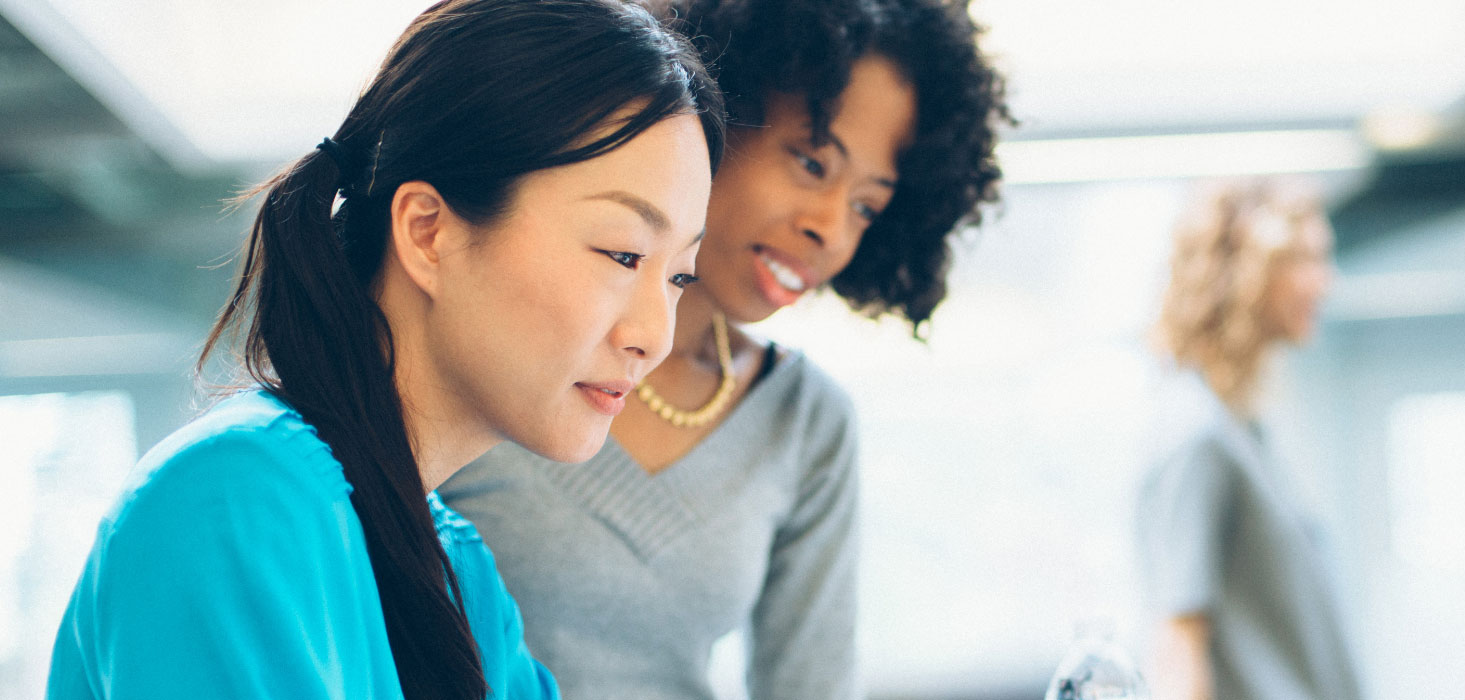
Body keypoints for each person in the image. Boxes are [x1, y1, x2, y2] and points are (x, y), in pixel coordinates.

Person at [44, 1, 724, 698]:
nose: (654, 335)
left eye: (678, 276)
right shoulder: (235, 504)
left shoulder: (457, 575)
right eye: (622, 253)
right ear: (429, 232)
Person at [436, 0, 1009, 697]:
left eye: (866, 206)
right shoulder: (498, 346)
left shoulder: (804, 423)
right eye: (810, 162)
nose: (830, 227)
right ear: (715, 112)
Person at [1136, 179, 1362, 700]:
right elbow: (1177, 650)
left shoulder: (1243, 430)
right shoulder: (1194, 433)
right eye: (1304, 260)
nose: (1325, 283)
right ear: (1243, 274)